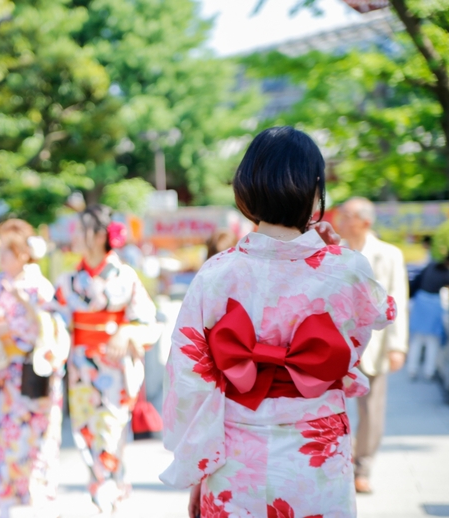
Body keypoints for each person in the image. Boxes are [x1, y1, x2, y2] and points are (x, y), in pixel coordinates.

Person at [161, 126, 395, 517]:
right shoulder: (345, 270)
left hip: (234, 450)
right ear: (315, 189)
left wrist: (198, 467)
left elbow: (189, 380)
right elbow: (373, 322)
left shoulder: (216, 273)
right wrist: (334, 251)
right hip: (315, 446)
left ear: (246, 186)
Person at [52, 205, 161, 515]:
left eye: (82, 228)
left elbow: (147, 319)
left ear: (100, 235)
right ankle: (104, 496)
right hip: (81, 367)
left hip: (113, 369)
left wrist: (125, 331)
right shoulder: (69, 278)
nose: (75, 235)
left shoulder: (125, 275)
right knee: (85, 434)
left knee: (111, 433)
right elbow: (54, 320)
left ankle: (109, 497)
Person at [0, 219, 65, 518]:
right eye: (0, 249)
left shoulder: (39, 287)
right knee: (4, 443)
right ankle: (6, 507)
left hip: (33, 377)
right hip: (4, 378)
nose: (1, 256)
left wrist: (19, 319)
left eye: (7, 250)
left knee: (38, 447)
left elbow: (50, 332)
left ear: (22, 253)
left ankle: (40, 507)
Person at [335, 196, 409, 494]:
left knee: (371, 411)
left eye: (348, 214)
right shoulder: (332, 252)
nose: (341, 219)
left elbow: (398, 301)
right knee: (332, 406)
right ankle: (337, 462)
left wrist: (397, 346)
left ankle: (362, 467)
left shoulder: (389, 254)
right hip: (335, 344)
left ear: (365, 221)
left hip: (373, 345)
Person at [407, 249, 449, 380]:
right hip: (434, 305)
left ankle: (412, 369)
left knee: (417, 339)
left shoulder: (431, 265)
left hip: (420, 302)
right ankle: (429, 371)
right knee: (433, 341)